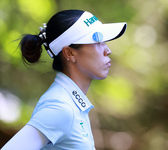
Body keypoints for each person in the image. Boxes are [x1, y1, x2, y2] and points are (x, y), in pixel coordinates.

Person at [1, 9, 127, 150]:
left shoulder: (70, 104)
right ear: (69, 53)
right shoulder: (61, 107)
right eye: (97, 41)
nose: (107, 50)